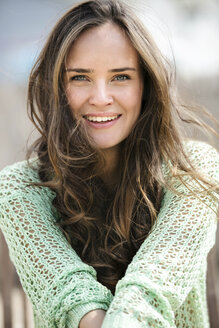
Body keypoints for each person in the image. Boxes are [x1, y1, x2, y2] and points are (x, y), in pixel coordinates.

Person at [0, 0, 219, 327]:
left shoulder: (194, 168)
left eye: (120, 77)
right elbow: (72, 298)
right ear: (58, 86)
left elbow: (151, 292)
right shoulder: (19, 189)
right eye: (80, 78)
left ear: (145, 84)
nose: (101, 97)